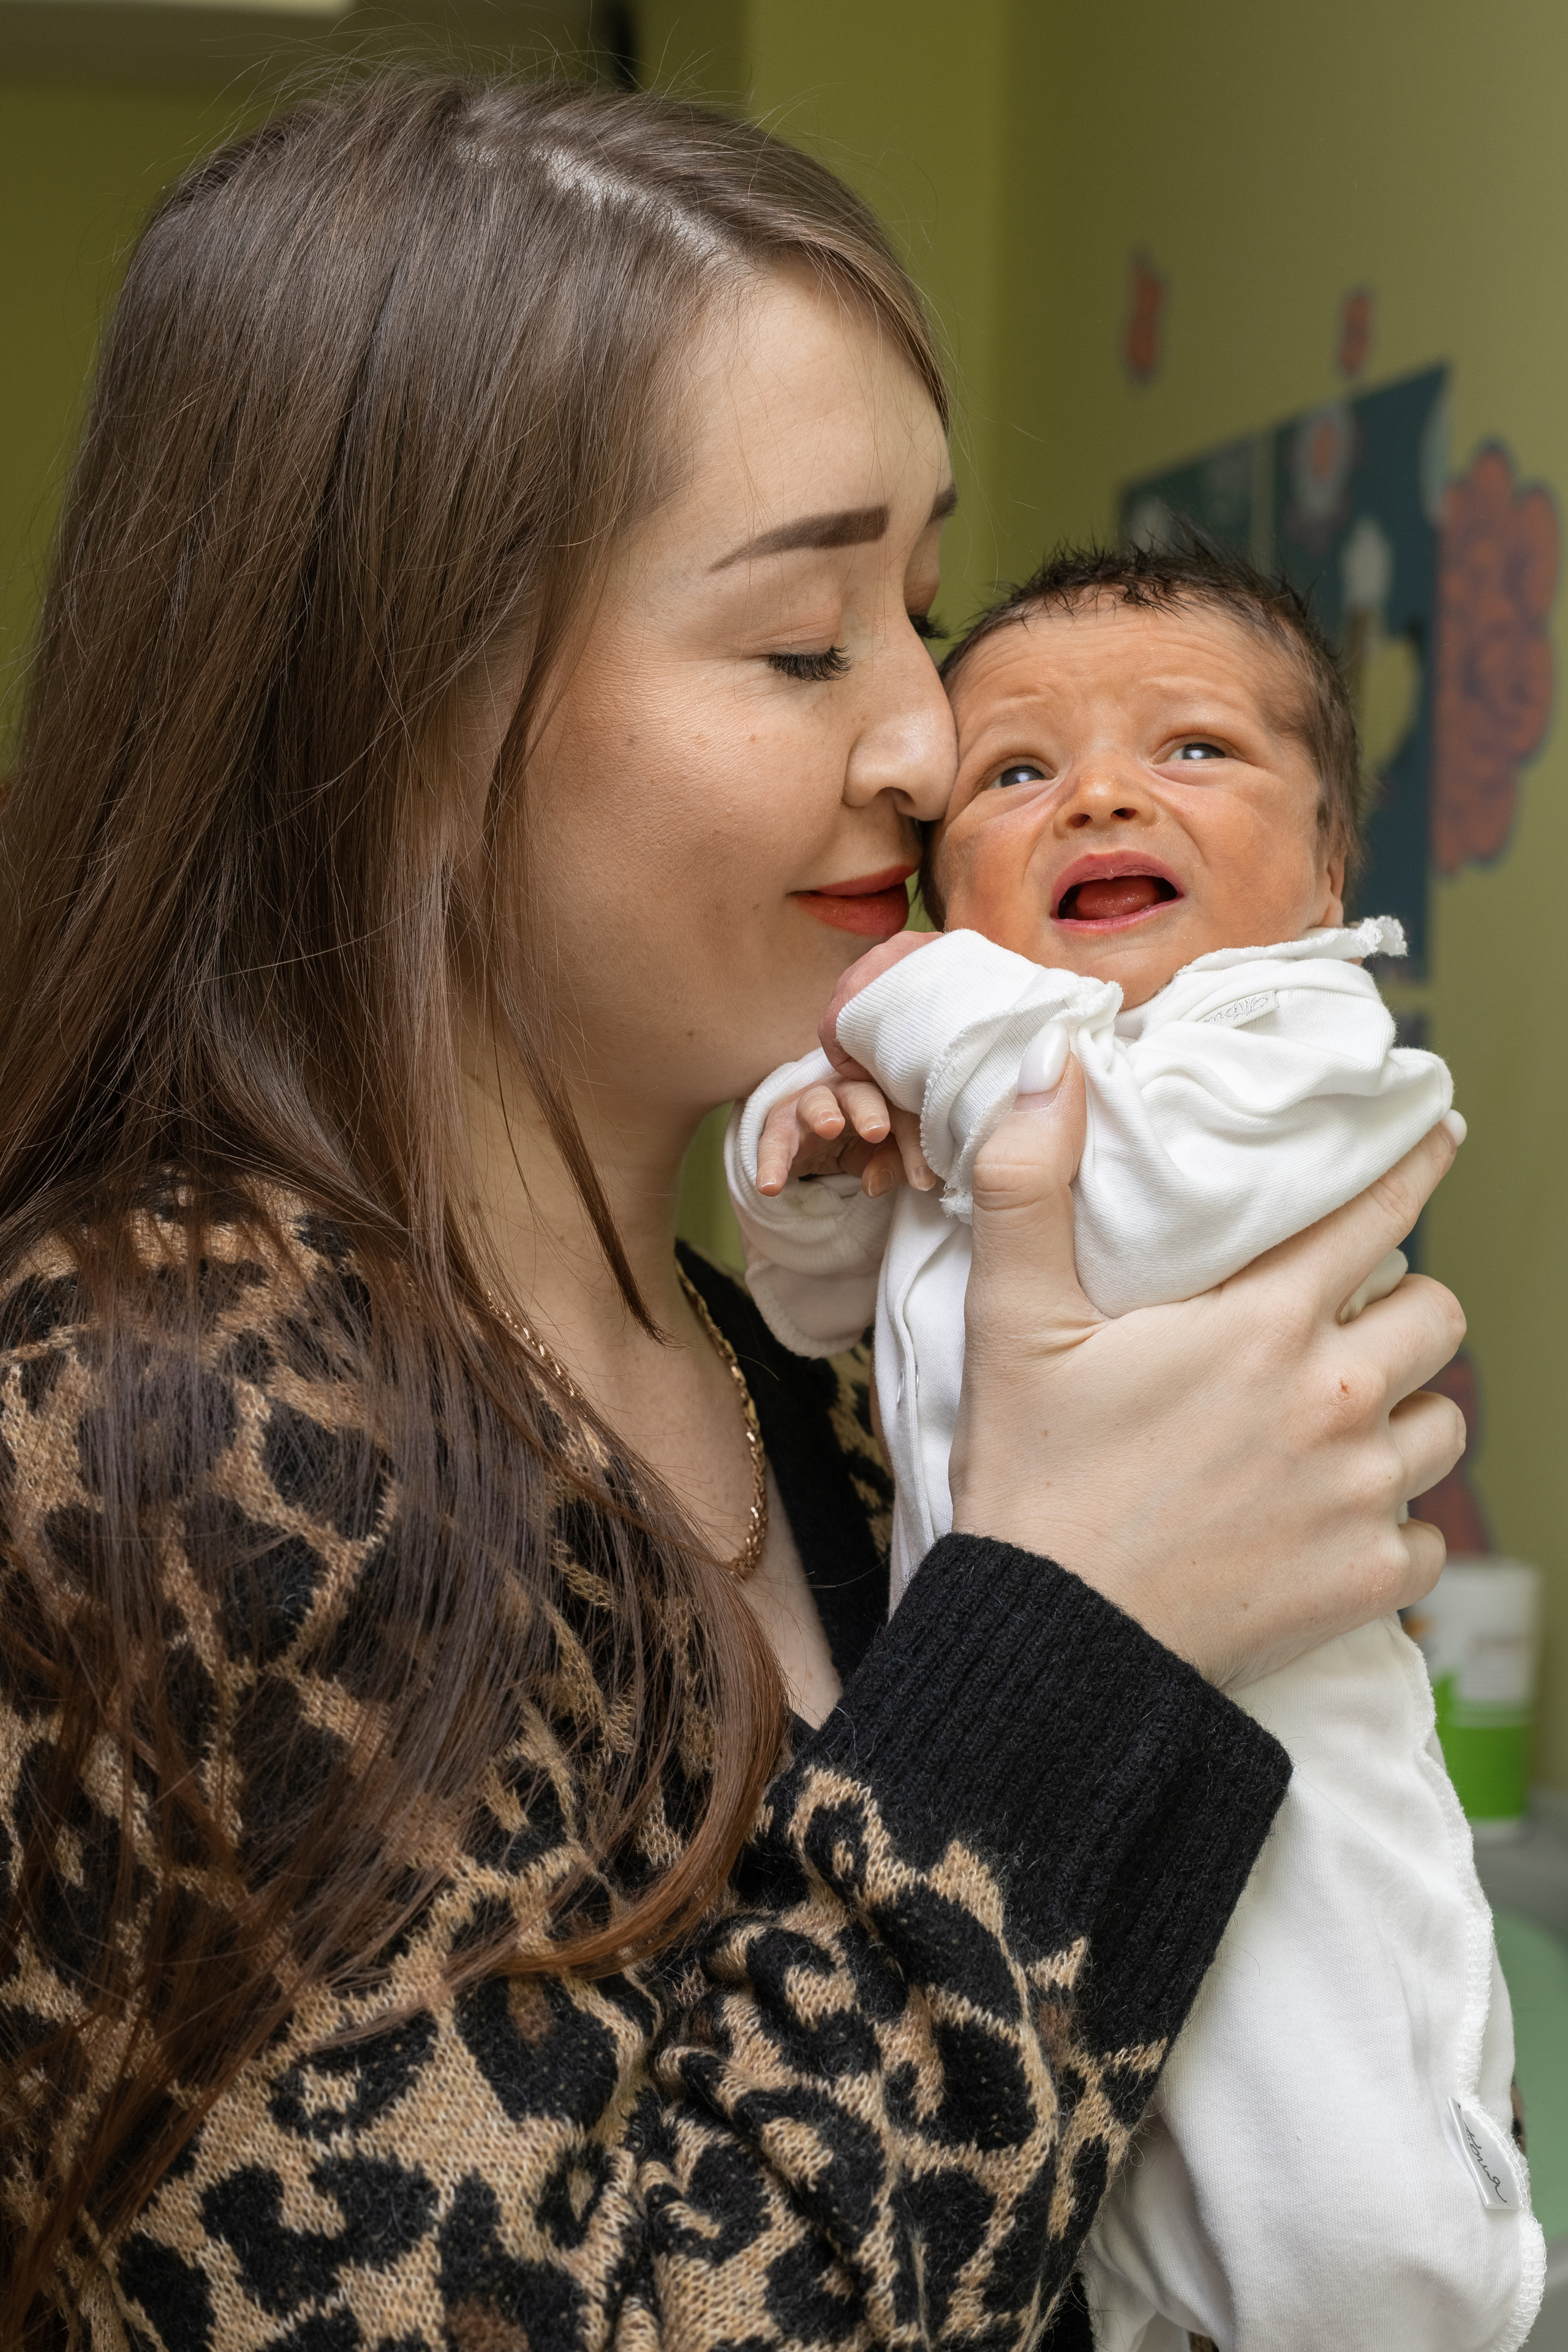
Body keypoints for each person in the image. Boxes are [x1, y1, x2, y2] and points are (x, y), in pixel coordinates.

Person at [0, 79, 1468, 2352]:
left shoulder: (796, 1358)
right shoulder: (149, 1408)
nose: (930, 744)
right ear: (402, 706)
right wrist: (1090, 1630)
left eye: (920, 611)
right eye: (803, 642)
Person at [726, 541, 1544, 2348]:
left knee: (1349, 2240)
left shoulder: (1308, 1047)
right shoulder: (972, 1068)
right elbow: (817, 1308)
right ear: (943, 879)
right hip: (1052, 1792)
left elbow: (1151, 1210)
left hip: (1292, 1790)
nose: (1098, 794)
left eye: (1194, 750)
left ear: (1327, 867)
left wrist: (926, 1016)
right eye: (1017, 772)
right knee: (1114, 2230)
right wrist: (817, 1165)